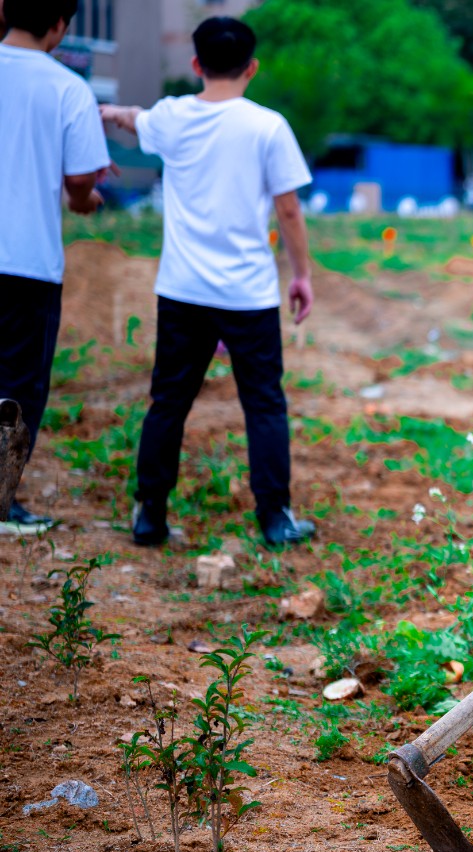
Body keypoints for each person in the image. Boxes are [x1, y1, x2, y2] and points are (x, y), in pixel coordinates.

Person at [100, 16, 316, 548]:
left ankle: (150, 514)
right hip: (248, 294)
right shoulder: (268, 126)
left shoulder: (173, 118)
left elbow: (136, 118)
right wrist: (303, 275)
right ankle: (274, 518)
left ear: (196, 64)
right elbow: (288, 209)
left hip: (182, 290)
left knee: (167, 402)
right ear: (253, 67)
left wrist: (106, 112)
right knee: (264, 404)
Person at [0, 0, 111, 536]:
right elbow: (79, 182)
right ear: (60, 24)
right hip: (27, 261)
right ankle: (2, 503)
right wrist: (86, 199)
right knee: (18, 387)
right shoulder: (69, 88)